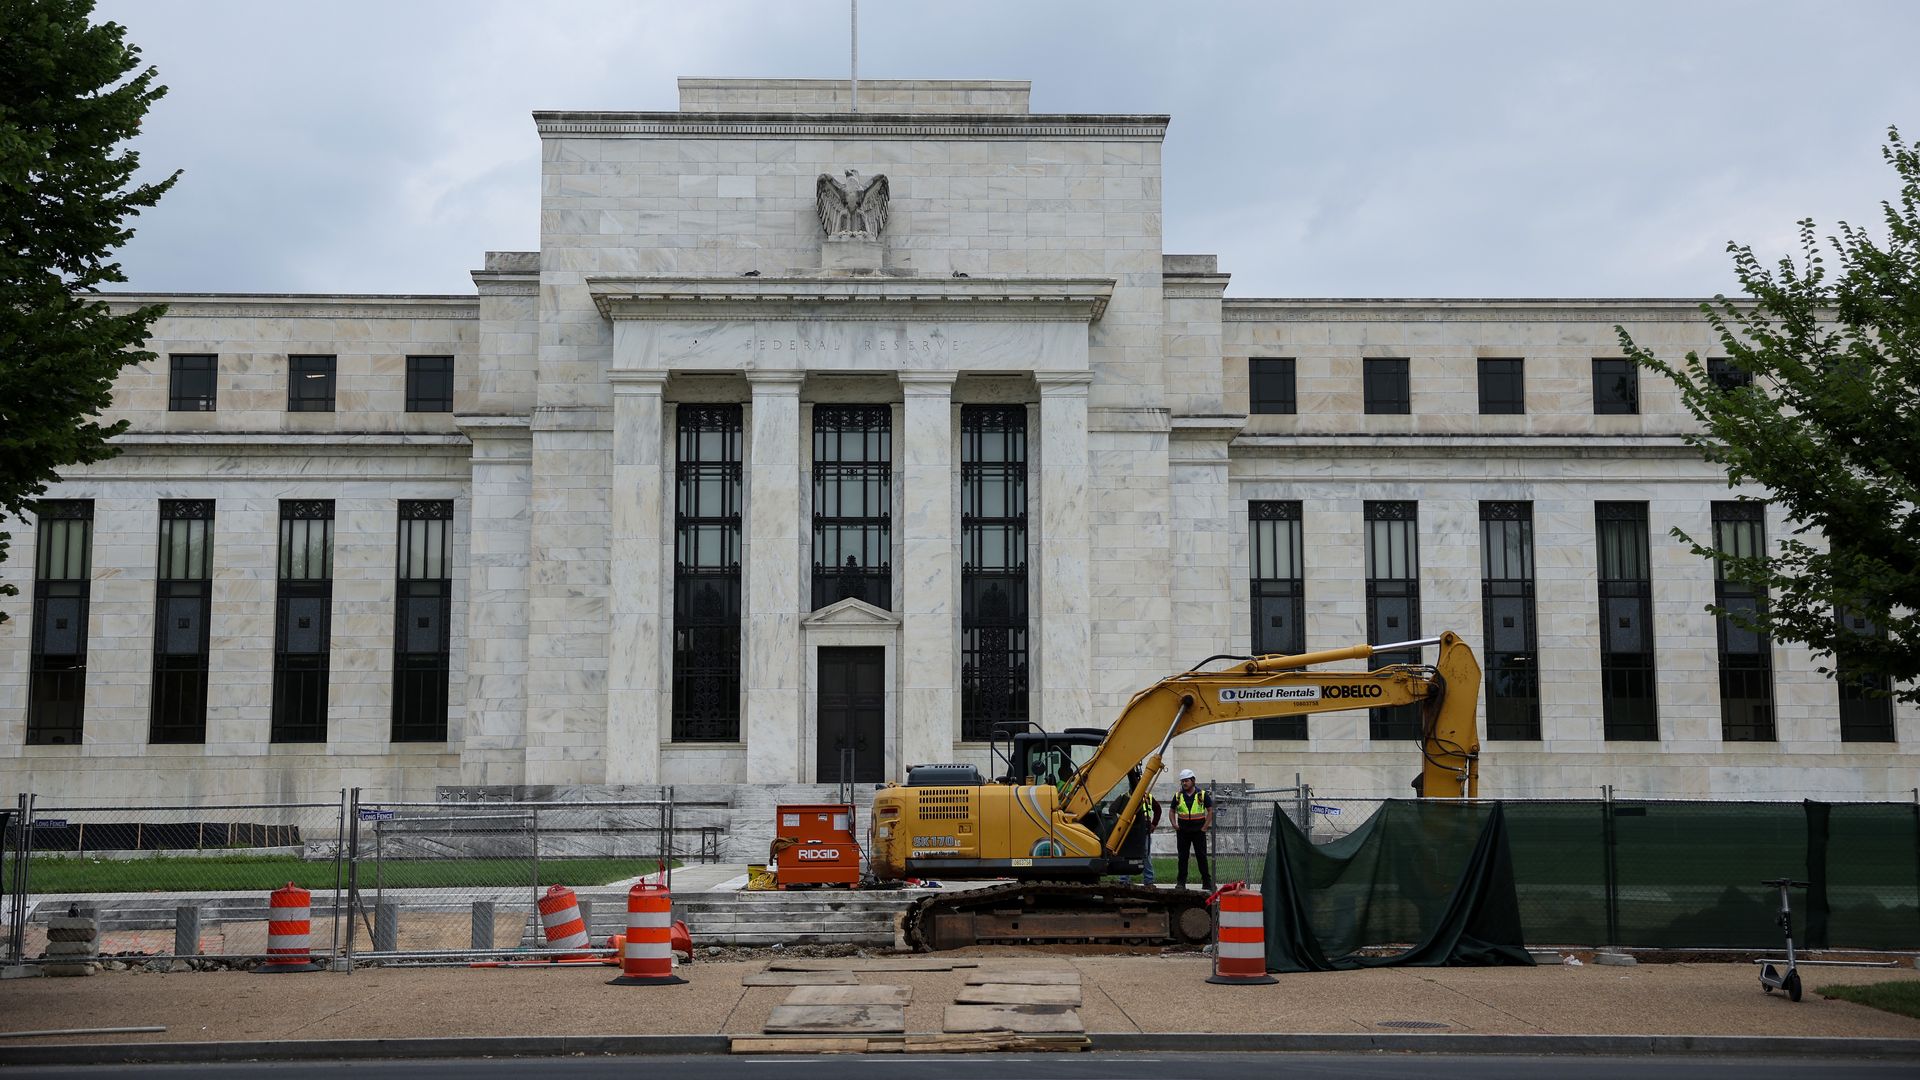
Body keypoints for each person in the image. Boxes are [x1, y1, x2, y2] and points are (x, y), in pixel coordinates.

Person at [1116, 768, 1160, 886]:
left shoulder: (1148, 797)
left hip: (1144, 830)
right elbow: (1113, 810)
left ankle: (1148, 880)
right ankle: (1124, 880)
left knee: (1145, 854)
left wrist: (1154, 824)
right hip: (1128, 830)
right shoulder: (1125, 797)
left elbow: (1158, 809)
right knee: (1127, 854)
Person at [1172, 768, 1213, 890]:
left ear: (1193, 780)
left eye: (1186, 781)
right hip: (1183, 832)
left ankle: (1207, 882)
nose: (1184, 783)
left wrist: (1205, 827)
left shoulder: (1202, 795)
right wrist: (1174, 824)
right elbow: (1172, 810)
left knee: (1201, 857)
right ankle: (1181, 882)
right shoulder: (1178, 796)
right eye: (1182, 781)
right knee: (1182, 857)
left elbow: (1210, 811)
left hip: (1198, 832)